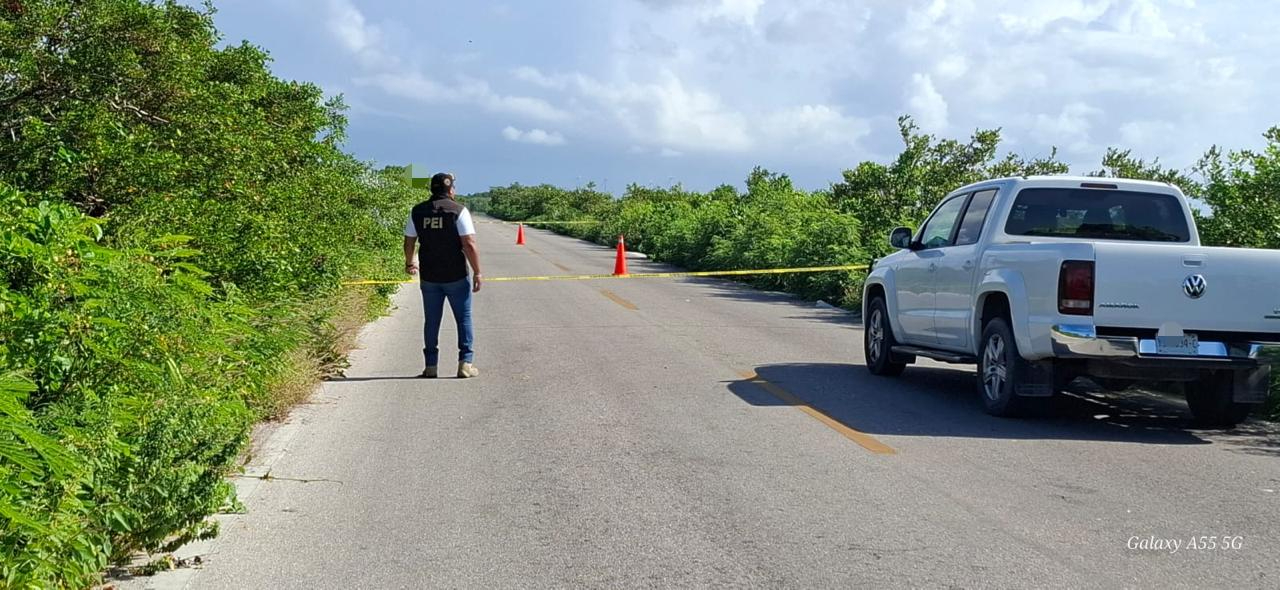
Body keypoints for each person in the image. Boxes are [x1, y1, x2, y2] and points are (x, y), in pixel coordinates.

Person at [404, 172, 482, 378]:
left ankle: (431, 366)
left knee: (431, 320)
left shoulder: (417, 211)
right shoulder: (459, 211)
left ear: (432, 189)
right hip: (456, 274)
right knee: (463, 319)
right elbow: (469, 243)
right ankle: (465, 364)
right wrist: (478, 272)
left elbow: (409, 241)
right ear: (450, 189)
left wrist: (410, 262)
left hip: (429, 275)